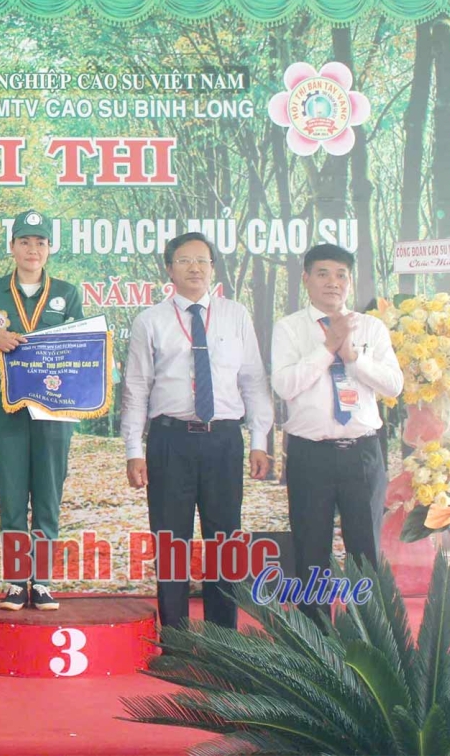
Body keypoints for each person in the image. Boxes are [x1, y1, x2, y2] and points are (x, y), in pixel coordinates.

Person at [121, 232, 273, 631]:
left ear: (213, 269)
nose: (194, 268)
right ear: (169, 269)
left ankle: (223, 640)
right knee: (171, 541)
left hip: (223, 439)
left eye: (202, 261)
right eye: (185, 260)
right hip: (170, 440)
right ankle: (175, 637)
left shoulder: (235, 315)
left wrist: (259, 440)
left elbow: (253, 381)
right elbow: (136, 388)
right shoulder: (150, 321)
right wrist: (133, 449)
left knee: (224, 540)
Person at [271, 243, 403, 620]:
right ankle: (316, 641)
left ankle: (372, 638)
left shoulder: (371, 327)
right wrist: (328, 347)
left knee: (367, 550)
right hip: (310, 454)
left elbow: (393, 385)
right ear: (306, 279)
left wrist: (354, 358)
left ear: (350, 281)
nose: (333, 282)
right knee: (311, 550)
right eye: (323, 274)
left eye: (341, 275)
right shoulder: (290, 328)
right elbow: (284, 385)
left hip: (362, 453)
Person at [0, 210, 83, 611]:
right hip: (5, 411)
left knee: (48, 496)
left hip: (53, 411)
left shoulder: (67, 292)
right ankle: (16, 581)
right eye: (25, 241)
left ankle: (42, 581)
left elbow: (83, 347)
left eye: (40, 242)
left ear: (49, 249)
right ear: (12, 247)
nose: (33, 249)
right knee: (12, 497)